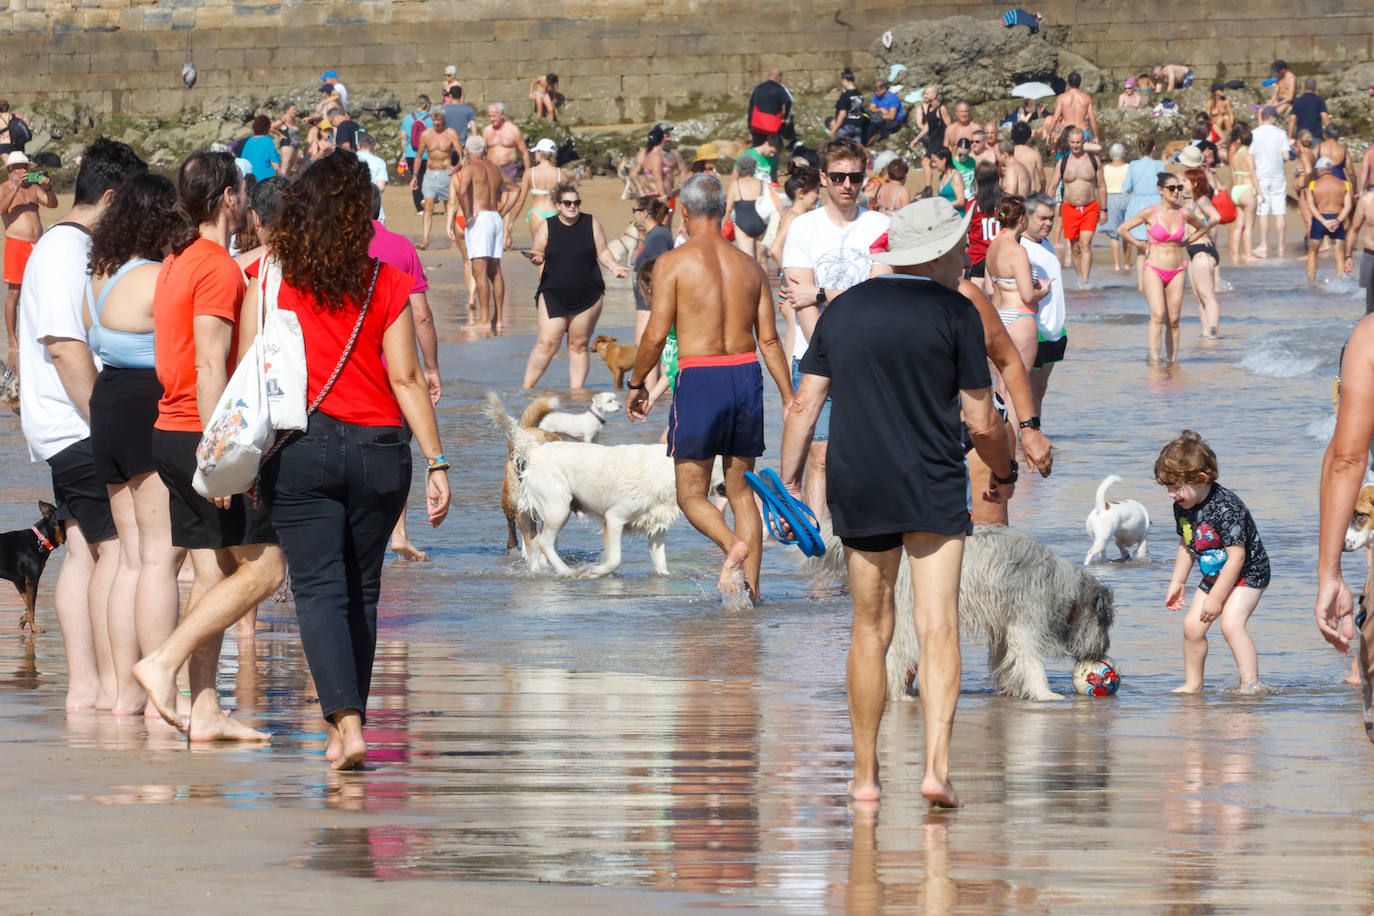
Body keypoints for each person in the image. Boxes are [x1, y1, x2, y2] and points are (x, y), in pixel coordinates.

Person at [781, 197, 1012, 807]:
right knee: (937, 627)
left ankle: (864, 778)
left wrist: (787, 487)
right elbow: (981, 416)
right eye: (961, 244)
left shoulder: (843, 308)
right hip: (932, 480)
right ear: (937, 251)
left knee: (869, 628)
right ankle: (935, 768)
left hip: (859, 481)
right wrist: (1005, 465)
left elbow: (804, 406)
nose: (967, 252)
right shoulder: (955, 311)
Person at [234, 150, 451, 769]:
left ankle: (346, 726)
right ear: (363, 214)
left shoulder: (273, 274)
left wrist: (245, 463)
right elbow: (407, 378)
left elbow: (253, 371)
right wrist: (438, 462)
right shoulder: (386, 280)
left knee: (320, 590)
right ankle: (347, 725)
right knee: (364, 590)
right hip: (382, 449)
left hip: (301, 447)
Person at [132, 150, 286, 741]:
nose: (248, 199)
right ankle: (163, 661)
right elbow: (207, 364)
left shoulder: (175, 260)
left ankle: (205, 710)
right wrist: (219, 458)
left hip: (168, 432)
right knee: (268, 568)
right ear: (227, 198)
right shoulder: (217, 268)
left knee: (213, 574)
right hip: (198, 438)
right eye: (243, 189)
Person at [625, 172, 794, 602]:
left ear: (684, 211)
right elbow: (770, 341)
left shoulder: (673, 264)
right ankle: (753, 594)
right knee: (741, 492)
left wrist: (637, 382)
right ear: (722, 213)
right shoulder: (751, 267)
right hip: (745, 374)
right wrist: (789, 396)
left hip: (700, 377)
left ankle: (730, 545)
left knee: (691, 494)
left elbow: (656, 334)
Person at [18, 138, 145, 709]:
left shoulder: (56, 246)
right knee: (115, 551)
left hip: (57, 425)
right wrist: (109, 426)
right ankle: (113, 687)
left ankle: (85, 689)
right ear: (111, 197)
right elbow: (68, 350)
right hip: (77, 425)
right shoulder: (69, 252)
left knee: (82, 548)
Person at [81, 173, 186, 718]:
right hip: (148, 408)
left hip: (107, 404)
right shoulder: (155, 276)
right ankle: (159, 690)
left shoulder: (98, 274)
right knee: (160, 559)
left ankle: (122, 694)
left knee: (128, 559)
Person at [779, 139, 890, 522]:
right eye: (839, 176)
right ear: (824, 178)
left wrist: (825, 290)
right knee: (820, 454)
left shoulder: (881, 226)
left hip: (872, 355)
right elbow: (800, 299)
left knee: (869, 452)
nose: (847, 185)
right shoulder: (803, 228)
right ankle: (821, 554)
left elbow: (879, 294)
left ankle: (864, 539)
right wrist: (832, 352)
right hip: (815, 354)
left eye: (855, 177)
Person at [1157, 430, 1269, 694]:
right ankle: (1193, 684)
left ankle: (1250, 685)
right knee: (1192, 628)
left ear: (1201, 478)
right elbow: (1187, 544)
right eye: (1168, 487)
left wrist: (1217, 598)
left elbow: (1237, 557)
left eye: (1176, 486)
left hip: (1248, 572)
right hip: (1215, 572)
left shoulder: (1226, 507)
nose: (1171, 494)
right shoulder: (1183, 506)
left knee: (1231, 625)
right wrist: (1178, 581)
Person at [522, 182, 628, 387]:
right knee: (547, 343)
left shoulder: (590, 222)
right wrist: (536, 258)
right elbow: (538, 252)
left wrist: (613, 266)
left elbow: (603, 251)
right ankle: (526, 391)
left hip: (588, 294)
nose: (572, 206)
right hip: (553, 293)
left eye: (576, 202)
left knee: (578, 345)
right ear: (558, 206)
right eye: (568, 203)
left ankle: (576, 395)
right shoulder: (547, 225)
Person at [1118, 173, 1211, 365]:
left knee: (1174, 319)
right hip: (1154, 268)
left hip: (1177, 269)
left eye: (1178, 188)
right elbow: (1123, 229)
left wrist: (1186, 241)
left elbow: (1203, 227)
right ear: (1160, 190)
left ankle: (1172, 361)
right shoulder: (1149, 213)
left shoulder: (1184, 213)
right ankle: (1154, 359)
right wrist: (1138, 243)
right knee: (1158, 315)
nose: (1176, 192)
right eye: (1171, 188)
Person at [985, 196, 1051, 385]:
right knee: (1019, 387)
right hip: (1019, 319)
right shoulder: (1017, 250)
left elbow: (990, 288)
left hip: (997, 317)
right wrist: (1044, 290)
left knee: (1002, 387)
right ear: (1022, 219)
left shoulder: (993, 246)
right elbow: (1028, 295)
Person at [455, 135, 517, 332]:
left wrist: (467, 215)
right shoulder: (495, 169)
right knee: (495, 269)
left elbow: (462, 192)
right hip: (495, 218)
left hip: (480, 218)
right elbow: (515, 189)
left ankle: (483, 319)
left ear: (466, 151)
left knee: (479, 270)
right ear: (484, 151)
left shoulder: (469, 168)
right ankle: (497, 319)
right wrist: (503, 212)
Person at [2, 151, 56, 368]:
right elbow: (1, 208)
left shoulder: (33, 188)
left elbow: (52, 204)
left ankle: (38, 333)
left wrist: (47, 187)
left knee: (40, 290)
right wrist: (15, 188)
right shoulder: (5, 188)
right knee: (14, 293)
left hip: (37, 245)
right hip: (16, 244)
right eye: (18, 168)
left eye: (25, 167)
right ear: (10, 170)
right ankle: (12, 339)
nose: (23, 171)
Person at [1022, 193, 1068, 414]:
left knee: (1039, 391)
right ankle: (1026, 439)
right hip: (1034, 328)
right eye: (1043, 218)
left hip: (1053, 329)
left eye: (1051, 218)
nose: (1049, 223)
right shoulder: (1020, 248)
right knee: (1026, 391)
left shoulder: (1046, 244)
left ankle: (1033, 437)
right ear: (1027, 216)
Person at [769, 166, 821, 359]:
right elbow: (775, 249)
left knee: (797, 338)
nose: (818, 196)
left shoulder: (792, 215)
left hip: (789, 291)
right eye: (815, 191)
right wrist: (792, 277)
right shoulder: (793, 218)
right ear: (801, 193)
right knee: (794, 342)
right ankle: (791, 384)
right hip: (791, 292)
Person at [1053, 128, 1106, 287]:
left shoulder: (1093, 160)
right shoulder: (1062, 163)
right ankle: (1080, 278)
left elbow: (1102, 187)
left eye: (1078, 142)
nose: (1076, 146)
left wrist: (1104, 210)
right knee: (1075, 248)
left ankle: (1085, 280)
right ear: (1068, 142)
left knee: (1085, 243)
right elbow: (1052, 187)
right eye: (1073, 142)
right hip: (1069, 207)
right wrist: (1047, 208)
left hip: (1090, 207)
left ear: (1084, 142)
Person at [1180, 155, 1223, 337]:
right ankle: (1206, 334)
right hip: (1194, 252)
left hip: (1203, 252)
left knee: (1208, 296)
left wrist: (1201, 232)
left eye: (1184, 181)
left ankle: (1212, 335)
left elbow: (1216, 217)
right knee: (1199, 298)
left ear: (1194, 184)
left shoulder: (1202, 200)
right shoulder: (1189, 203)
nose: (1180, 184)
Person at [409, 109, 462, 250]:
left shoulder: (451, 133)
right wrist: (414, 176)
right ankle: (425, 240)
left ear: (443, 119)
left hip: (446, 174)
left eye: (439, 120)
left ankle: (454, 240)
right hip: (430, 174)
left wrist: (456, 168)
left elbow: (462, 156)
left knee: (449, 207)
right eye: (434, 120)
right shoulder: (426, 135)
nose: (437, 123)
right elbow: (419, 156)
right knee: (428, 205)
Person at [631, 196, 673, 359]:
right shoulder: (654, 234)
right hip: (645, 300)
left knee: (646, 347)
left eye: (635, 210)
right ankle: (648, 384)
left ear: (645, 213)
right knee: (644, 346)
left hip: (650, 300)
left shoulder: (659, 235)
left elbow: (663, 266)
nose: (633, 214)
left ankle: (648, 385)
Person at [1303, 157, 1353, 285]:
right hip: (1337, 218)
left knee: (1313, 250)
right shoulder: (1344, 184)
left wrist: (1324, 222)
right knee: (1338, 251)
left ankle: (1311, 280)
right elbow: (1348, 206)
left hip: (1320, 220)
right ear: (1330, 169)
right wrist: (1337, 220)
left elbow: (1311, 206)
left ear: (1320, 169)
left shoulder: (1313, 185)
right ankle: (1341, 283)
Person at [1250, 106, 1292, 259]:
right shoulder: (1281, 133)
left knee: (1263, 212)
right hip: (1277, 175)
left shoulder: (1254, 133)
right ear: (1273, 117)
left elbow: (1251, 155)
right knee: (1280, 212)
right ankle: (1281, 246)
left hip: (1261, 176)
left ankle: (1264, 245)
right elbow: (1287, 156)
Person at [1121, 134, 1164, 274]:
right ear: (1154, 148)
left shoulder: (1133, 165)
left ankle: (1141, 285)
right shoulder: (1160, 165)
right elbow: (1164, 186)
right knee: (1155, 247)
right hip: (1156, 205)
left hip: (1137, 206)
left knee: (1140, 249)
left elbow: (1126, 187)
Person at [725, 158, 774, 264]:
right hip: (760, 224)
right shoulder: (762, 183)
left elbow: (728, 209)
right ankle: (764, 281)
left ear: (739, 169)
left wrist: (721, 227)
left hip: (743, 224)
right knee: (762, 261)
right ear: (754, 168)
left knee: (747, 262)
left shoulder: (735, 184)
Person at [1227, 123, 1261, 264]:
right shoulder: (1249, 156)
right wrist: (1260, 192)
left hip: (1237, 189)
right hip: (1247, 189)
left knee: (1238, 224)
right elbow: (1253, 175)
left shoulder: (1234, 156)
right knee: (1248, 225)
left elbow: (1233, 175)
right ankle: (1247, 253)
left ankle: (1235, 253)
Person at [907, 86, 951, 192]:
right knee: (932, 164)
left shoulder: (942, 108)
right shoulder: (929, 108)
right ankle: (930, 188)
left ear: (934, 95)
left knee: (927, 162)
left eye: (927, 94)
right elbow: (927, 126)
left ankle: (929, 188)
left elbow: (950, 127)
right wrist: (916, 139)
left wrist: (949, 144)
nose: (924, 96)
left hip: (941, 141)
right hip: (933, 141)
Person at [965, 162, 1003, 282]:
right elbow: (1006, 220)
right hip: (1000, 255)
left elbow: (967, 228)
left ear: (977, 180)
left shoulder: (973, 203)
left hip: (978, 256)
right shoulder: (1004, 203)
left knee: (976, 298)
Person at [522, 137, 564, 240]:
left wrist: (510, 223)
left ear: (541, 152)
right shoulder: (561, 174)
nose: (535, 153)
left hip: (537, 213)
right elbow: (568, 200)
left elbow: (520, 199)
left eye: (536, 151)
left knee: (538, 251)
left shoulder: (530, 173)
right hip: (555, 214)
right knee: (556, 250)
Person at [400, 96, 433, 214]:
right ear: (428, 105)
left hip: (411, 152)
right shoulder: (430, 119)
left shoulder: (408, 118)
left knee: (416, 178)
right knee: (426, 177)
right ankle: (425, 199)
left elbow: (403, 137)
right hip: (425, 153)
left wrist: (405, 152)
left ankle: (419, 208)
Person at [482, 102, 530, 182]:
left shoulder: (513, 130)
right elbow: (483, 153)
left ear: (502, 115)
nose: (491, 119)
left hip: (509, 169)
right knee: (493, 194)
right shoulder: (486, 131)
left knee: (508, 193)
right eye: (489, 116)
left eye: (494, 116)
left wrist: (528, 173)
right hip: (492, 168)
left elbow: (524, 152)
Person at [1046, 72, 1098, 144]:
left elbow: (1055, 118)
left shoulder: (1062, 98)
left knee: (1063, 154)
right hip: (1082, 132)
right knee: (1083, 155)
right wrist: (1096, 137)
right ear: (1079, 83)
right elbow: (1092, 119)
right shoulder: (1087, 98)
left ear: (1068, 83)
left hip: (1067, 132)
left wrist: (1049, 134)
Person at [1102, 143, 1131, 270]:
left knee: (1114, 234)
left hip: (1111, 198)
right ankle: (1127, 263)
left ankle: (1116, 264)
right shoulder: (1129, 167)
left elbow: (1101, 185)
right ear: (1124, 154)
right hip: (1126, 198)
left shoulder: (1105, 168)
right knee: (1127, 232)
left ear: (1110, 155)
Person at [747, 69, 793, 146]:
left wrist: (750, 129)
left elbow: (751, 108)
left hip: (758, 126)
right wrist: (785, 117)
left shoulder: (758, 88)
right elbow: (789, 100)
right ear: (778, 78)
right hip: (773, 127)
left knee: (758, 149)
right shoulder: (780, 88)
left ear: (769, 76)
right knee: (772, 150)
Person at [1347, 185, 1374, 313]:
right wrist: (1348, 256)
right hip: (1371, 256)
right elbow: (1354, 229)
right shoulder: (1367, 200)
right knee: (1371, 309)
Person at [355, 132, 389, 222]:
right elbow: (380, 187)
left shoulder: (349, 160)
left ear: (358, 146)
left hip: (352, 206)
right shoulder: (379, 162)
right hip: (373, 207)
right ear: (374, 147)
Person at [829, 69, 868, 143]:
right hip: (857, 126)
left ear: (845, 80)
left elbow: (842, 114)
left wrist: (834, 129)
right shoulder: (859, 94)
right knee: (855, 150)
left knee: (844, 150)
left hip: (846, 127)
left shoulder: (845, 96)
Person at [239, 115, 280, 183]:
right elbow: (274, 162)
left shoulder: (249, 141)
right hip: (266, 179)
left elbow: (243, 160)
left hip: (251, 179)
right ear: (267, 127)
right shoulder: (268, 141)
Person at [1289, 76, 1330, 143]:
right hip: (1316, 137)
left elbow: (1292, 119)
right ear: (1315, 88)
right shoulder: (1320, 101)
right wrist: (1331, 135)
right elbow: (1325, 118)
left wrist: (1289, 136)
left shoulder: (1297, 101)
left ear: (1304, 87)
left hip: (1301, 137)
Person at [864, 79, 904, 144]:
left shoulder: (892, 98)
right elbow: (870, 108)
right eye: (875, 91)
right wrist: (880, 109)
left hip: (895, 120)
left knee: (874, 123)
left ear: (884, 89)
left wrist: (877, 116)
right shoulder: (876, 96)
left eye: (878, 91)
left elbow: (892, 116)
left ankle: (867, 143)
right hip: (882, 116)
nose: (876, 93)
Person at [1009, 121, 1044, 194]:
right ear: (1028, 136)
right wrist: (1043, 189)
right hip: (1030, 192)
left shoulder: (1008, 153)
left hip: (1013, 192)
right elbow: (1042, 178)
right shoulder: (1035, 154)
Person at [270, 103, 302, 177]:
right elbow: (271, 127)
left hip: (295, 145)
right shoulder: (284, 118)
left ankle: (286, 182)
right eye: (293, 110)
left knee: (290, 165)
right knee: (285, 165)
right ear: (287, 110)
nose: (295, 111)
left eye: (295, 109)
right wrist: (280, 135)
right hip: (287, 143)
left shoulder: (294, 119)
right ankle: (281, 183)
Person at [932, 147, 966, 212]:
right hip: (947, 216)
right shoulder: (942, 176)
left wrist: (942, 207)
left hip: (957, 217)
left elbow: (961, 201)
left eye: (935, 161)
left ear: (944, 160)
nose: (933, 164)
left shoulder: (956, 176)